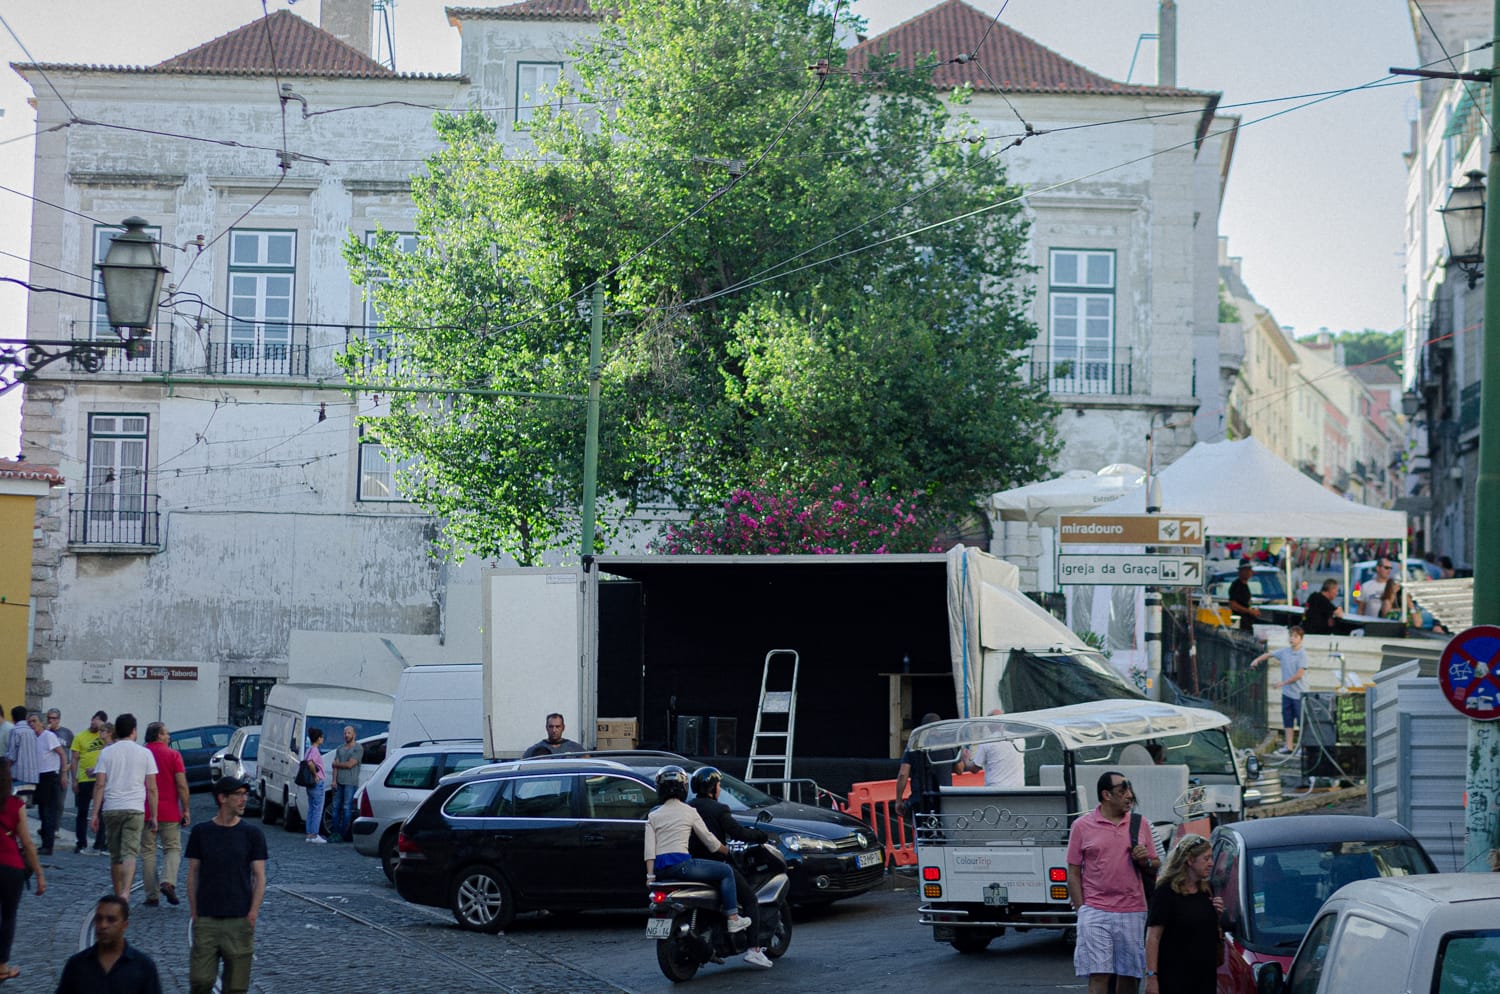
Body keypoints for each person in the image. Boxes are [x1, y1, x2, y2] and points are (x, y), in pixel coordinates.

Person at [1066, 771, 1162, 994]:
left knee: (1128, 975)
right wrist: (1083, 911)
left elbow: (1156, 865)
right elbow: (1073, 872)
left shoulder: (1140, 824)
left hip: (1132, 910)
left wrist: (1144, 859)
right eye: (1123, 790)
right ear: (1106, 795)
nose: (1129, 795)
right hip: (1095, 910)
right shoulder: (1082, 826)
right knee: (1099, 974)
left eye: (1130, 789)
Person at [644, 766, 752, 934]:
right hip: (683, 866)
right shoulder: (689, 811)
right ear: (684, 788)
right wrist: (727, 852)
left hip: (660, 871)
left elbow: (649, 850)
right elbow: (710, 841)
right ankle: (733, 918)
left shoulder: (653, 815)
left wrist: (650, 877)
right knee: (725, 871)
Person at [186, 776, 267, 994]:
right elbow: (193, 874)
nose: (244, 800)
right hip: (207, 917)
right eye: (238, 795)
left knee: (236, 987)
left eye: (245, 794)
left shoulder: (252, 834)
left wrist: (253, 912)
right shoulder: (201, 832)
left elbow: (259, 877)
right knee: (200, 981)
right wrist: (195, 912)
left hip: (239, 919)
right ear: (223, 798)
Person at [688, 766, 773, 969]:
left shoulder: (689, 807)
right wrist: (761, 835)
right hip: (714, 865)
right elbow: (737, 832)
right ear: (712, 788)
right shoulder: (719, 809)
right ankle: (754, 950)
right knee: (750, 899)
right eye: (718, 785)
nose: (719, 789)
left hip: (691, 865)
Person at [90, 713, 159, 897]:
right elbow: (152, 788)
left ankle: (117, 889)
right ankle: (126, 893)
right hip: (135, 808)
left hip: (111, 807)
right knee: (130, 853)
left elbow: (100, 785)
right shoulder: (145, 753)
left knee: (115, 855)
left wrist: (94, 813)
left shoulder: (106, 753)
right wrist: (154, 815)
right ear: (134, 731)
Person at [1144, 834, 1223, 994]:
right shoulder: (1166, 892)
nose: (1211, 863)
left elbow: (1205, 928)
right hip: (1175, 978)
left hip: (1205, 977)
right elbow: (1153, 937)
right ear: (1190, 860)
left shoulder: (1206, 889)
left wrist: (1216, 915)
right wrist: (1152, 977)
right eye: (1206, 858)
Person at [54, 895, 162, 994]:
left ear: (124, 925)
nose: (103, 925)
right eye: (99, 919)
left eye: (111, 920)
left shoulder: (143, 966)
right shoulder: (77, 964)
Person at [0, 760, 45, 983]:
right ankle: (2, 966)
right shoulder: (15, 804)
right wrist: (38, 873)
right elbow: (27, 843)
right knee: (8, 916)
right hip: (10, 867)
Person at [141, 722, 190, 908]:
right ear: (159, 735)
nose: (169, 737)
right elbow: (182, 784)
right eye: (166, 734)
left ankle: (151, 895)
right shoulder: (173, 755)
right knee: (172, 848)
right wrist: (186, 809)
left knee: (148, 852)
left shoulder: (142, 754)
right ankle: (168, 881)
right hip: (169, 810)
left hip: (145, 809)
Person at [1251, 626, 1308, 754]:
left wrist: (1283, 683)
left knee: (1302, 722)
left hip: (1299, 694)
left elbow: (1299, 674)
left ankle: (1303, 748)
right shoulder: (1285, 651)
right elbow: (1269, 654)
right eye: (1291, 636)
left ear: (1301, 639)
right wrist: (1257, 660)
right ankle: (1289, 747)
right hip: (1287, 694)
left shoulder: (1302, 654)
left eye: (1295, 636)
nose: (1292, 639)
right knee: (1288, 720)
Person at [895, 712, 962, 817]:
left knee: (922, 830)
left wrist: (898, 800)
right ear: (939, 727)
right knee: (944, 830)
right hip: (944, 799)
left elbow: (903, 774)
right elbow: (959, 770)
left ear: (923, 729)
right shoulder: (948, 745)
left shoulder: (914, 746)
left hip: (921, 799)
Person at [72, 710, 110, 855]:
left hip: (100, 778)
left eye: (99, 721)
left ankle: (99, 843)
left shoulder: (105, 736)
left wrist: (103, 728)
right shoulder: (80, 736)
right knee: (82, 811)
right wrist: (74, 779)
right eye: (94, 719)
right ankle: (81, 842)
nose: (95, 723)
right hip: (84, 779)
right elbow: (75, 758)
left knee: (101, 812)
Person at [31, 711, 69, 856]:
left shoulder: (49, 736)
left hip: (50, 776)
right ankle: (45, 842)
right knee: (42, 811)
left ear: (41, 723)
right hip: (40, 776)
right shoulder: (36, 737)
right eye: (30, 722)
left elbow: (62, 753)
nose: (32, 724)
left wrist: (63, 773)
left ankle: (48, 845)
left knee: (49, 812)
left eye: (34, 721)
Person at [964, 709, 1025, 787]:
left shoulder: (987, 742)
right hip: (1018, 789)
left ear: (990, 723)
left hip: (995, 789)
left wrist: (966, 759)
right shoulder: (1020, 739)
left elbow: (975, 768)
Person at [328, 725, 362, 843]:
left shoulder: (358, 748)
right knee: (336, 808)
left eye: (349, 733)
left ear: (354, 734)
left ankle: (343, 833)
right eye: (345, 733)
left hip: (350, 782)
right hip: (339, 782)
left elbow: (350, 764)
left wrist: (336, 764)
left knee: (347, 808)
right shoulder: (340, 748)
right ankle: (335, 832)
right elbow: (335, 766)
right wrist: (333, 780)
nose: (346, 735)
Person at [4, 708, 37, 797]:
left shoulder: (15, 731)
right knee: (24, 803)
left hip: (19, 775)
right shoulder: (32, 731)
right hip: (32, 776)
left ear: (13, 718)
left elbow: (12, 755)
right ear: (26, 717)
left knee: (14, 801)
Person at [302, 727, 327, 843]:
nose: (323, 739)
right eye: (322, 737)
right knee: (317, 809)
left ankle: (309, 834)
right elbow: (310, 762)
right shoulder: (315, 751)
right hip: (317, 783)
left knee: (311, 808)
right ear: (318, 738)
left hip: (310, 784)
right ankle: (314, 834)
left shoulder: (308, 750)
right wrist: (315, 774)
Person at [1226, 558, 1261, 632]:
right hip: (1238, 621)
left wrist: (1252, 611)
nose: (1248, 572)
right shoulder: (1236, 585)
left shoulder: (1245, 585)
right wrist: (1249, 611)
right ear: (1240, 571)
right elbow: (1233, 604)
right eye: (1246, 570)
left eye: (1249, 570)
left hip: (1246, 622)